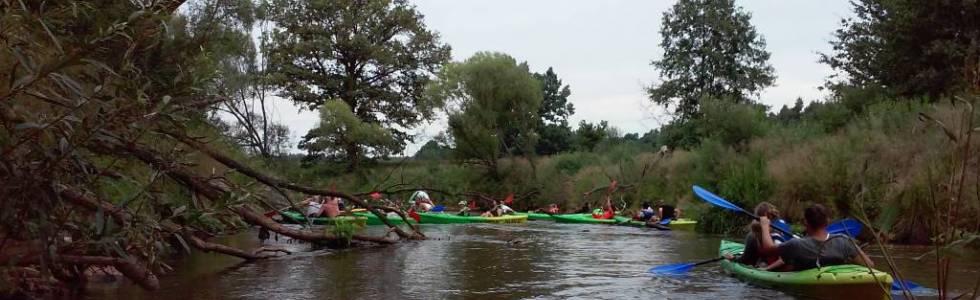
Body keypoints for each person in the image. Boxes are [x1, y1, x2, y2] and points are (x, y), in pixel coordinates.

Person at [758, 204, 874, 271]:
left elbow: (768, 249)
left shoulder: (796, 245)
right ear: (827, 222)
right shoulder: (843, 240)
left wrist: (764, 226)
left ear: (806, 223)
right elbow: (870, 265)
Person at [725, 202, 786, 270]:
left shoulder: (755, 234)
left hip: (778, 264)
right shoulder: (783, 224)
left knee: (761, 263)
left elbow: (746, 260)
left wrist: (733, 258)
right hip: (788, 262)